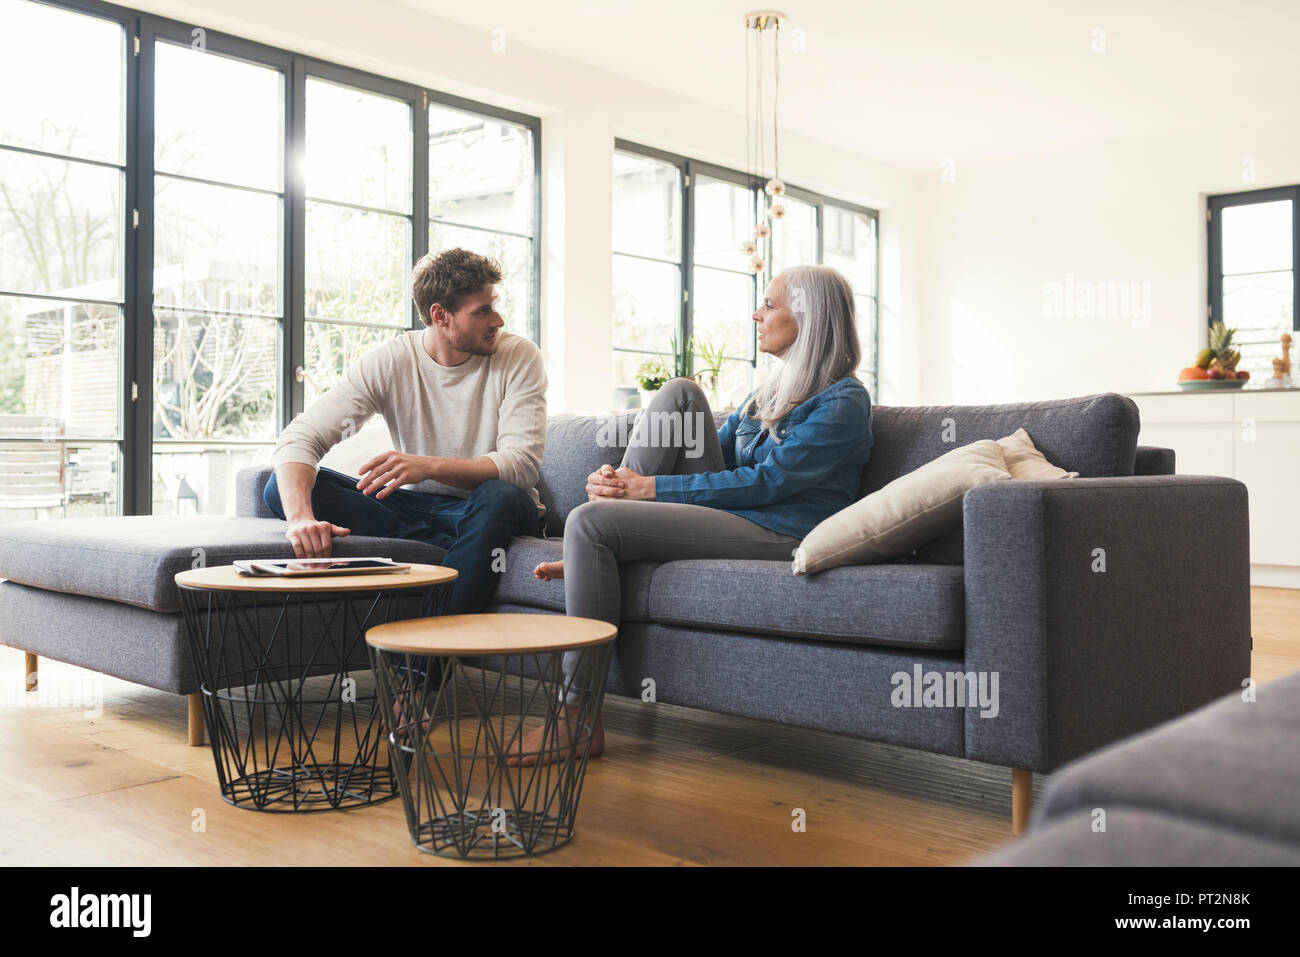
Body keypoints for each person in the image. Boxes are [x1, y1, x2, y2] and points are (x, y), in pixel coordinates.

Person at [509, 264, 873, 766]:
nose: (756, 314)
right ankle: (596, 547)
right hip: (742, 517)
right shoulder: (767, 394)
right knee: (682, 392)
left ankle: (577, 718)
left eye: (769, 305)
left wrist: (648, 487)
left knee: (590, 523)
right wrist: (621, 480)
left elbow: (768, 483)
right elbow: (709, 452)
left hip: (780, 530)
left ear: (809, 318)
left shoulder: (845, 401)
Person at [263, 248, 547, 616]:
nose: (498, 320)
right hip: (424, 512)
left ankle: (419, 659)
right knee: (279, 487)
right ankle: (465, 544)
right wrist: (301, 519)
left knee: (499, 496)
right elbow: (302, 437)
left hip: (499, 507)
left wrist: (427, 466)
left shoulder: (519, 357)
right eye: (482, 311)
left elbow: (522, 465)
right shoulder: (391, 361)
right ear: (440, 315)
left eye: (494, 305)